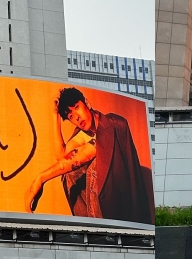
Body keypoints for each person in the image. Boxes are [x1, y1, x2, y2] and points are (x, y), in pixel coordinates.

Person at [24, 87, 154, 224]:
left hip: (121, 206)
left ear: (87, 103)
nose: (77, 117)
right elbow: (62, 157)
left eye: (77, 107)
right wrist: (55, 116)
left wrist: (40, 178)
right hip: (99, 206)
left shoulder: (112, 123)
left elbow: (85, 154)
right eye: (71, 116)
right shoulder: (81, 134)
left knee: (90, 163)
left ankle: (95, 226)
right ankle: (86, 223)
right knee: (67, 174)